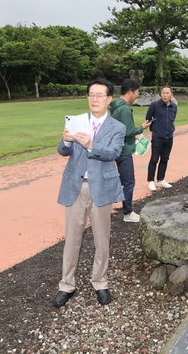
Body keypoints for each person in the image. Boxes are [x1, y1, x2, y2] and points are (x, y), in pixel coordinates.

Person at [53, 78, 125, 308]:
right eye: (91, 95)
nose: (94, 99)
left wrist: (91, 145)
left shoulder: (117, 127)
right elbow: (62, 151)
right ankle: (67, 284)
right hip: (76, 186)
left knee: (102, 239)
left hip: (101, 187)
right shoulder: (77, 121)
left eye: (99, 95)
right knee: (72, 238)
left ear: (109, 99)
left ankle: (100, 282)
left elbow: (113, 153)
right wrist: (65, 141)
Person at [108, 79, 151, 222]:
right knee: (129, 182)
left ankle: (112, 198)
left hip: (116, 148)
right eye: (137, 92)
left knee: (121, 179)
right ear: (130, 92)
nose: (137, 95)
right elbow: (128, 131)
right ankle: (128, 213)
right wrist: (141, 128)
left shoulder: (115, 107)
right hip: (124, 150)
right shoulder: (124, 108)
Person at [145, 86, 177, 192]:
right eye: (163, 93)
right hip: (157, 137)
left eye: (167, 93)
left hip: (169, 137)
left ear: (171, 95)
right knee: (154, 159)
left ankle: (160, 179)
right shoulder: (155, 105)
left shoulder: (174, 106)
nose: (165, 95)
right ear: (160, 94)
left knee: (165, 159)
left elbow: (172, 119)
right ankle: (150, 181)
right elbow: (148, 119)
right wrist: (154, 128)